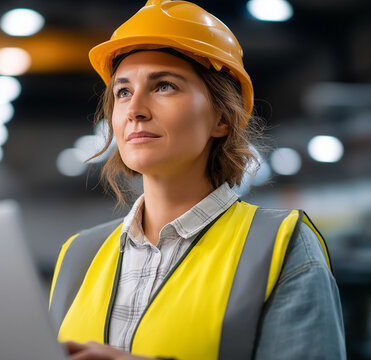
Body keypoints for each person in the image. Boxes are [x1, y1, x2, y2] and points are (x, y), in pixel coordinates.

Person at [48, 1, 346, 359]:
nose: (135, 109)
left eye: (164, 86)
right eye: (123, 91)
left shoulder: (279, 246)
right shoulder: (78, 255)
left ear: (222, 117)